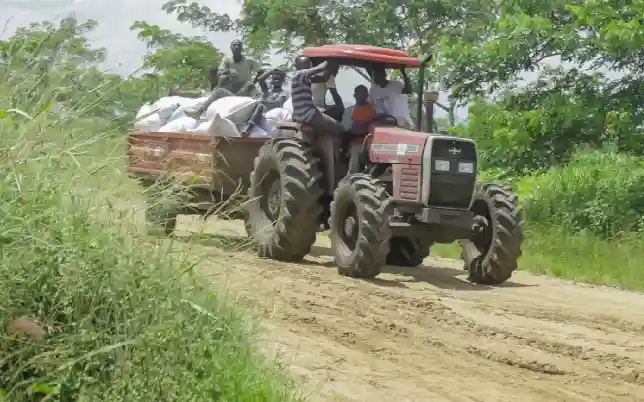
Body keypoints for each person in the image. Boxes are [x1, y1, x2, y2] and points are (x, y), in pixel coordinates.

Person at [291, 56, 344, 135]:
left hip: (300, 114)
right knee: (339, 128)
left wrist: (330, 69)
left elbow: (323, 78)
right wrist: (331, 60)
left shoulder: (300, 77)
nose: (307, 66)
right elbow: (321, 68)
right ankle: (335, 147)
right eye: (305, 64)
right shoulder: (301, 73)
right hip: (309, 113)